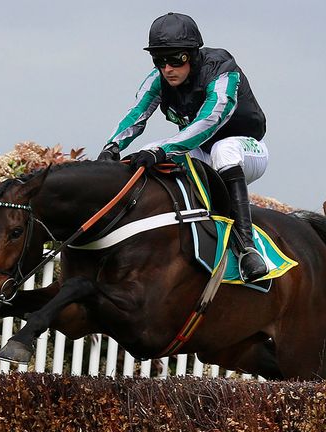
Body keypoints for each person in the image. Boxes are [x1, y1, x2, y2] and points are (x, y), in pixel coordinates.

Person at [98, 12, 269, 283]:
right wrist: (111, 149)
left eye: (176, 59)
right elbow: (136, 114)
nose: (167, 69)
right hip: (200, 150)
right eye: (159, 60)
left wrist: (163, 151)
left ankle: (247, 249)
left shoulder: (223, 71)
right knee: (148, 150)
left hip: (246, 149)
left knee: (221, 150)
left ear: (193, 54)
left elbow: (210, 121)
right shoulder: (158, 79)